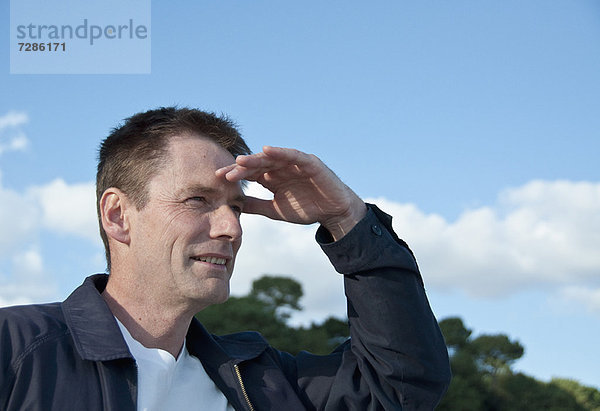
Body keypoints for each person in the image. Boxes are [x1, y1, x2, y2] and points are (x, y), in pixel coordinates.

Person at [0, 107, 451, 410]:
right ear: (118, 216)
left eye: (236, 207)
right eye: (198, 200)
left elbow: (401, 384)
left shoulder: (264, 381)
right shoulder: (16, 349)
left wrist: (347, 218)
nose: (231, 228)